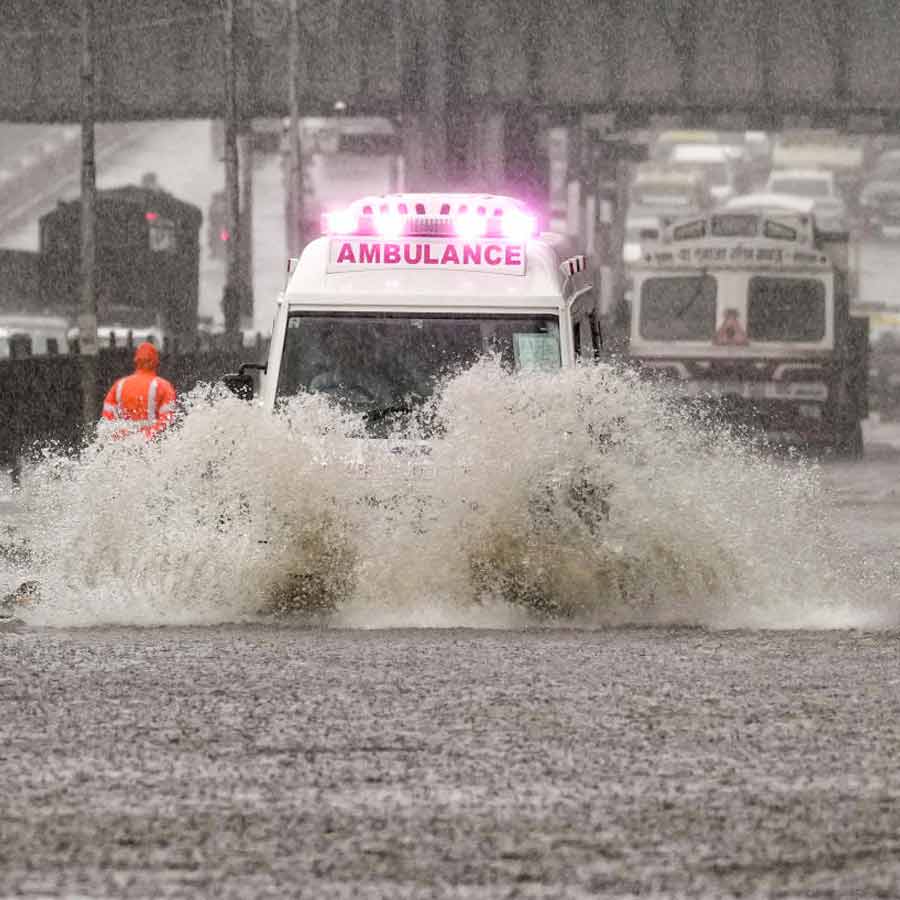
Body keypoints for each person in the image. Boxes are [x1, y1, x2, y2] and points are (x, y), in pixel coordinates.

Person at [101, 342, 177, 438]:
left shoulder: (119, 385)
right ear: (156, 362)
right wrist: (146, 437)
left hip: (123, 444)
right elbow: (167, 420)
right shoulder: (163, 386)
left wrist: (120, 437)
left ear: (136, 361)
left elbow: (107, 421)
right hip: (151, 445)